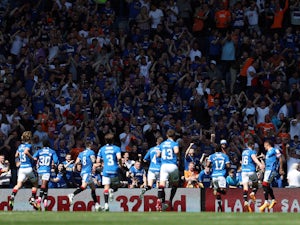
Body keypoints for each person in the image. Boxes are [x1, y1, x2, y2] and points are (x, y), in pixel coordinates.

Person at [9, 131, 39, 210]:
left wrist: (17, 162)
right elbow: (26, 152)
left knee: (18, 184)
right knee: (35, 184)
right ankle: (32, 198)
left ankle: (12, 196)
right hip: (28, 168)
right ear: (30, 138)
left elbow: (16, 155)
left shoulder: (20, 146)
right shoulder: (28, 145)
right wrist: (33, 158)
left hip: (21, 168)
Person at [67, 141, 101, 211]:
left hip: (83, 172)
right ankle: (72, 194)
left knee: (93, 188)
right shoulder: (91, 152)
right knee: (84, 186)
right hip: (88, 172)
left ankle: (97, 204)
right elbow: (93, 161)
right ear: (90, 145)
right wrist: (98, 163)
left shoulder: (81, 153)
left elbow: (76, 162)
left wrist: (74, 167)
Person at [96, 133, 122, 211]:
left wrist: (102, 163)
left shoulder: (102, 149)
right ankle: (112, 190)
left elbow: (98, 161)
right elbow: (119, 158)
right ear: (113, 140)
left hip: (106, 170)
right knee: (117, 185)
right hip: (114, 169)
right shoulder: (116, 148)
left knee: (106, 188)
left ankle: (106, 205)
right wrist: (120, 164)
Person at [156, 129, 179, 211]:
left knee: (162, 185)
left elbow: (158, 155)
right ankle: (170, 200)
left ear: (167, 135)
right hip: (173, 165)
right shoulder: (174, 143)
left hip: (164, 166)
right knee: (175, 184)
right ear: (174, 136)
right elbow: (176, 151)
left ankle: (160, 201)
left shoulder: (162, 144)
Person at [259, 139, 285, 212]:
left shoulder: (275, 150)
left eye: (265, 145)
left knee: (264, 184)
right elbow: (270, 160)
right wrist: (263, 158)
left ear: (267, 144)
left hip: (271, 169)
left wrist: (281, 168)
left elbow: (280, 158)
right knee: (266, 185)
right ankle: (273, 200)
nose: (264, 147)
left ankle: (266, 202)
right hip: (267, 170)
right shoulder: (267, 153)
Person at [33, 139, 59, 210]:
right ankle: (39, 200)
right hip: (47, 170)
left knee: (45, 186)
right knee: (44, 185)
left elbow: (34, 158)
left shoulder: (39, 151)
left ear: (43, 145)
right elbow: (56, 161)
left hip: (40, 170)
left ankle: (45, 202)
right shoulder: (52, 151)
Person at [241, 140, 265, 212]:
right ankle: (253, 193)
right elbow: (254, 159)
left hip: (244, 171)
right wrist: (260, 164)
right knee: (256, 184)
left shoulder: (243, 152)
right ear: (252, 145)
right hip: (251, 170)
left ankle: (245, 200)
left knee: (245, 186)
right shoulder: (252, 151)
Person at [206, 145, 231, 212]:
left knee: (217, 193)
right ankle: (217, 190)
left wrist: (212, 164)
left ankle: (220, 207)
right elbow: (228, 165)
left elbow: (207, 165)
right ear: (221, 149)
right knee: (224, 191)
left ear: (215, 150)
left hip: (214, 176)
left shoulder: (211, 156)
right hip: (221, 175)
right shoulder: (225, 156)